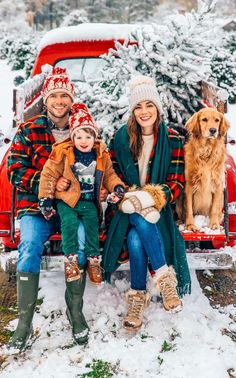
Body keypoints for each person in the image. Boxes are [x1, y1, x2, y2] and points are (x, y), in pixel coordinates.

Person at [6, 67, 87, 351]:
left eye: (64, 95)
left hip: (72, 207)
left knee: (78, 243)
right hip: (35, 207)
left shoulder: (82, 131)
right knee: (28, 245)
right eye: (54, 96)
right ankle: (24, 323)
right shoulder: (29, 130)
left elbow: (100, 165)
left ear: (71, 99)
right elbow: (14, 170)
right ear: (46, 98)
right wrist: (47, 182)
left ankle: (75, 312)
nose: (59, 101)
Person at [103, 75, 191, 333]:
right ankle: (164, 278)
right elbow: (112, 175)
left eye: (149, 105)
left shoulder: (173, 139)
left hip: (158, 210)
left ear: (157, 108)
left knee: (136, 237)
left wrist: (152, 196)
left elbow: (177, 183)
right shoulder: (121, 139)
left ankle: (137, 297)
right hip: (124, 207)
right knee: (136, 217)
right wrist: (126, 194)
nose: (144, 112)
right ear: (132, 111)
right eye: (138, 107)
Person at [38, 102, 125, 286]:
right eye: (78, 136)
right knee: (69, 224)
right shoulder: (63, 152)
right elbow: (49, 174)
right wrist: (45, 198)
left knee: (92, 225)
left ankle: (94, 260)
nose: (83, 141)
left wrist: (116, 186)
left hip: (88, 201)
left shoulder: (101, 155)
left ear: (95, 137)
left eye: (88, 136)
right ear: (72, 137)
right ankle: (71, 260)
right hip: (67, 201)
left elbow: (110, 175)